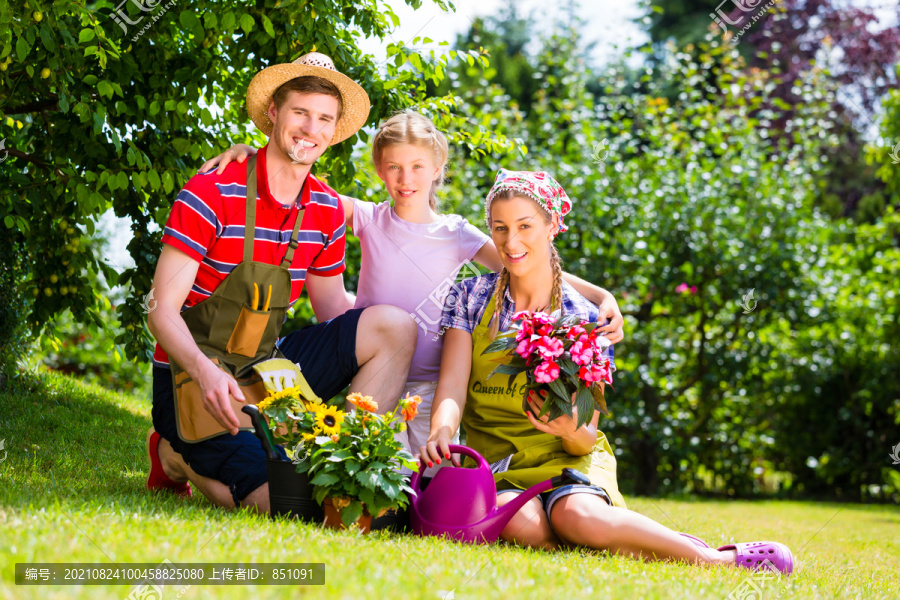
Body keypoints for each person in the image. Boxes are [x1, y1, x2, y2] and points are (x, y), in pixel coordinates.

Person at [199, 111, 625, 475]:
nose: (406, 179)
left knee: (419, 485)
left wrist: (599, 294)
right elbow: (296, 185)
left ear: (437, 167)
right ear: (380, 169)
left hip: (429, 388)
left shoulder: (457, 233)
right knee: (359, 467)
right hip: (372, 377)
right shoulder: (367, 217)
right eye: (394, 167)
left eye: (418, 166)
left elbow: (529, 266)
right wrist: (251, 155)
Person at [420, 169, 794, 574]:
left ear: (551, 226)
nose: (511, 242)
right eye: (500, 228)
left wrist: (565, 427)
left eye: (525, 226)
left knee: (576, 518)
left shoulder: (586, 318)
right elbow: (454, 385)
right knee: (524, 527)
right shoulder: (470, 297)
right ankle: (612, 541)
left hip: (570, 460)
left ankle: (715, 558)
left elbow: (583, 438)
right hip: (501, 466)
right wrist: (442, 430)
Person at [145, 52, 417, 513]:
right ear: (273, 113)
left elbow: (333, 310)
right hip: (189, 374)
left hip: (265, 366)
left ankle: (344, 460)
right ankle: (173, 456)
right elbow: (159, 309)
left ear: (334, 130)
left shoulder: (327, 209)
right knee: (287, 504)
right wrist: (205, 370)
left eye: (324, 118)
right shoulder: (212, 190)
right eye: (300, 113)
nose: (312, 129)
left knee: (395, 327)